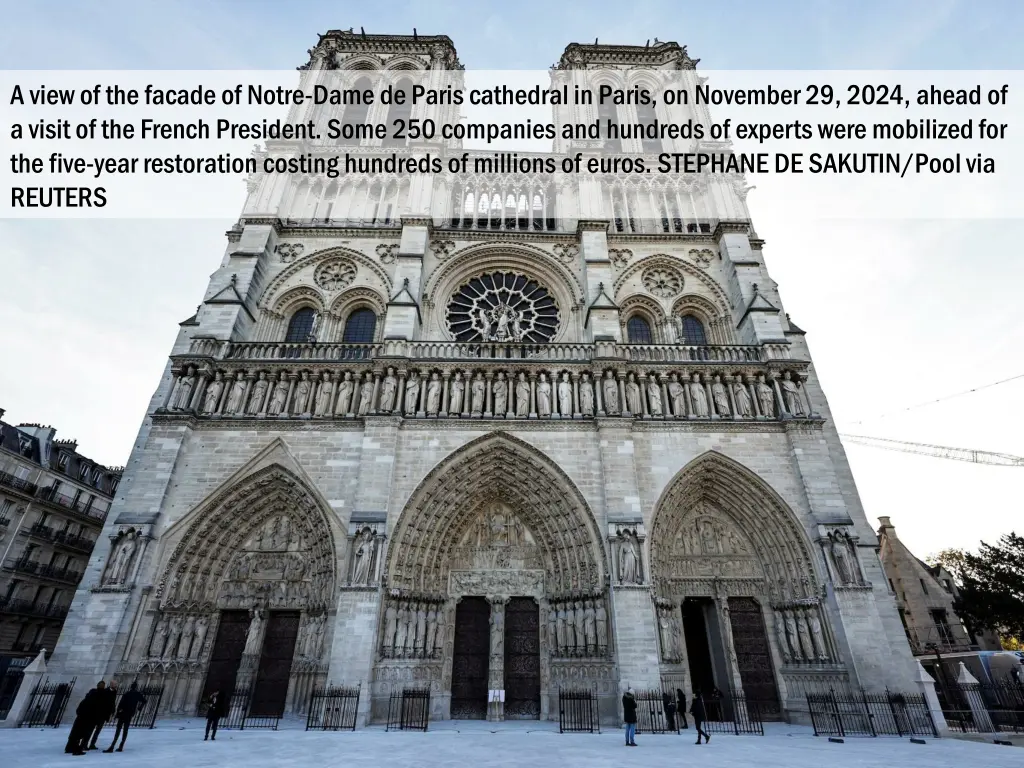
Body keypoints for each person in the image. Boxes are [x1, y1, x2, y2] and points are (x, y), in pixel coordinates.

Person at [65, 681, 106, 755]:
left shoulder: (87, 697)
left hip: (80, 718)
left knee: (75, 734)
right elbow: (97, 709)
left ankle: (69, 748)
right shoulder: (98, 697)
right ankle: (77, 750)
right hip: (88, 719)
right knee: (82, 734)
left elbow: (79, 709)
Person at [103, 681, 146, 752]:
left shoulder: (127, 693)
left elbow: (121, 703)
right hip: (130, 713)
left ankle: (112, 746)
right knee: (125, 730)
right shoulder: (137, 694)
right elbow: (144, 701)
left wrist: (117, 712)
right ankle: (120, 746)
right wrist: (140, 707)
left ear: (131, 687)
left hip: (123, 712)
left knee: (119, 729)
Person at [86, 680, 117, 750]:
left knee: (98, 730)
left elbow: (112, 702)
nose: (116, 686)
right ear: (111, 684)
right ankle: (85, 743)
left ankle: (92, 744)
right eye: (114, 684)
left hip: (104, 715)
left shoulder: (114, 692)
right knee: (91, 729)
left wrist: (112, 711)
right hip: (97, 713)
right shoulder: (104, 691)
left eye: (116, 684)